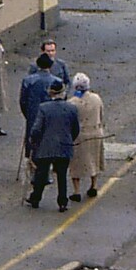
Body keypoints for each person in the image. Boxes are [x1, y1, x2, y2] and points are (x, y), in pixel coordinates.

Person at [26, 78, 80, 211]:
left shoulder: (44, 108)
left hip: (46, 145)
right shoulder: (72, 108)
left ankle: (36, 198)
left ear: (51, 93)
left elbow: (37, 129)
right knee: (62, 175)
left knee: (41, 173)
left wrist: (33, 140)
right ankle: (62, 201)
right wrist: (69, 140)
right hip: (64, 145)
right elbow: (76, 129)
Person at [68, 73, 106, 200]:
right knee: (94, 160)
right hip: (96, 132)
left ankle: (77, 191)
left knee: (76, 164)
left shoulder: (72, 103)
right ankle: (93, 186)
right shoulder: (96, 98)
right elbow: (101, 114)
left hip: (80, 135)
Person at [19, 52, 55, 145]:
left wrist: (28, 113)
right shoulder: (56, 81)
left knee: (32, 140)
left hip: (33, 113)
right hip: (51, 115)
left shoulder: (28, 80)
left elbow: (23, 101)